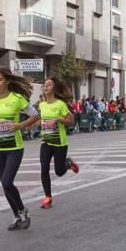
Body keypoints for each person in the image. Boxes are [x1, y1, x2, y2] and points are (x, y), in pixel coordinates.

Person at [0, 67, 38, 230]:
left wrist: (20, 125)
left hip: (14, 147)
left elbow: (35, 115)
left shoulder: (17, 98)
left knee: (8, 182)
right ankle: (16, 217)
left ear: (7, 81)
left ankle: (23, 211)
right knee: (4, 184)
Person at [29, 77, 79, 209]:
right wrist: (35, 124)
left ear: (54, 88)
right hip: (46, 141)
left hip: (59, 142)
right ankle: (47, 197)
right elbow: (40, 119)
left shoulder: (60, 105)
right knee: (44, 168)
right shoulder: (42, 104)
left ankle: (68, 163)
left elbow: (71, 121)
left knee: (59, 172)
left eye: (49, 85)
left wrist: (57, 119)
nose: (45, 87)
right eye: (44, 85)